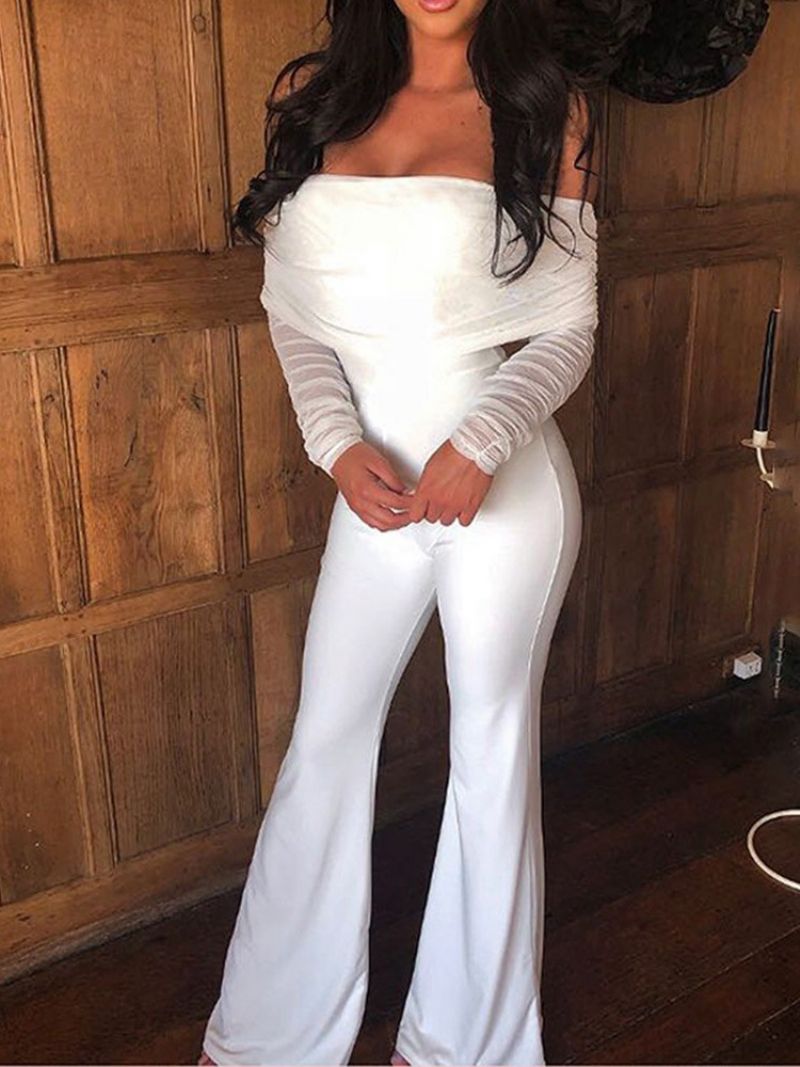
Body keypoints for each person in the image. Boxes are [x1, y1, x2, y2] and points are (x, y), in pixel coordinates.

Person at [199, 0, 600, 1063]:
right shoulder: (315, 97)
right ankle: (272, 1033)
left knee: (489, 751)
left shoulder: (547, 109)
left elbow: (568, 326)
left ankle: (467, 1045)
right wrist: (334, 442)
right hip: (371, 483)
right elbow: (291, 308)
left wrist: (484, 438)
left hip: (503, 487)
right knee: (325, 737)